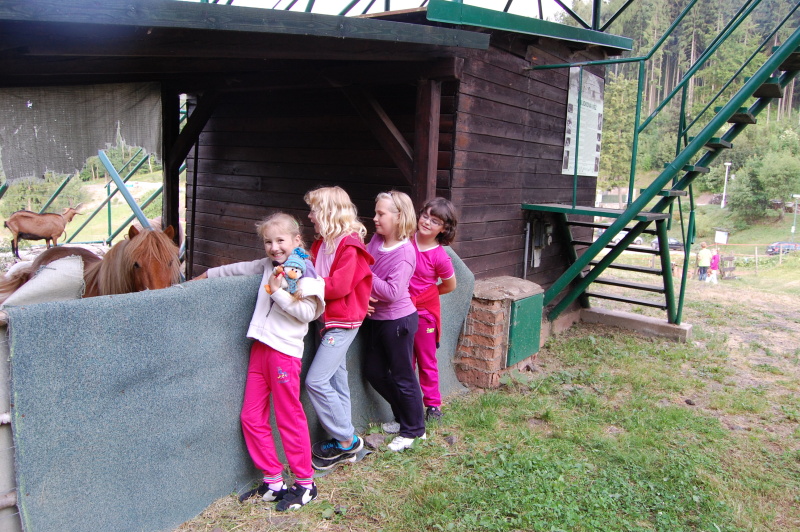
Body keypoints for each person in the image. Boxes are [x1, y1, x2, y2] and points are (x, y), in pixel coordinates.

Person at [193, 213, 325, 511]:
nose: (274, 247)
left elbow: (309, 313)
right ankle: (273, 480)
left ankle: (305, 483)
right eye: (268, 242)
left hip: (284, 353)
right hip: (261, 348)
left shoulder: (307, 273)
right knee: (251, 416)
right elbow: (238, 269)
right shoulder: (268, 265)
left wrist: (277, 292)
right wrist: (206, 276)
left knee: (289, 417)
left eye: (280, 240)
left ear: (296, 240)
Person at [303, 186, 374, 470]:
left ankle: (348, 439)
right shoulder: (323, 244)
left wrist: (307, 285)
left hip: (342, 323)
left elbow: (340, 286)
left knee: (316, 381)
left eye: (314, 211)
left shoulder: (350, 245)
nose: (310, 216)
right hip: (327, 321)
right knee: (336, 380)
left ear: (328, 212)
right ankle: (344, 445)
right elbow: (313, 270)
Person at [383, 197, 457, 434]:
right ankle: (407, 409)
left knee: (426, 361)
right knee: (405, 362)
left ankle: (433, 406)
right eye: (425, 216)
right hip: (401, 311)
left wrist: (426, 296)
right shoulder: (406, 240)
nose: (426, 222)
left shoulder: (440, 257)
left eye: (435, 221)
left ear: (443, 228)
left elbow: (450, 285)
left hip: (424, 315)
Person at [364, 190, 426, 452]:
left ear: (399, 217)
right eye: (376, 212)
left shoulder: (404, 253)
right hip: (376, 319)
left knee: (403, 376)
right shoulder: (377, 240)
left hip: (398, 322)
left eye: (381, 214)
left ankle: (414, 430)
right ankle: (403, 417)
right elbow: (365, 263)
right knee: (374, 372)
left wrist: (364, 273)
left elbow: (391, 292)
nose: (375, 218)